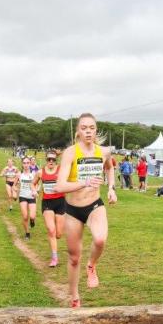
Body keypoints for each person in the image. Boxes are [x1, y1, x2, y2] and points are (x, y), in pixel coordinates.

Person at [55, 113, 117, 308]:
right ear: (78, 131)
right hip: (72, 209)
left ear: (95, 130)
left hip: (94, 205)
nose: (88, 131)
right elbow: (59, 186)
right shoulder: (70, 153)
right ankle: (74, 297)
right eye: (84, 128)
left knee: (100, 239)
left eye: (91, 127)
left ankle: (91, 266)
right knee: (74, 258)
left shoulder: (104, 151)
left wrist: (112, 188)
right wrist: (85, 182)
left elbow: (109, 168)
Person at [40, 150, 66, 267]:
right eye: (49, 159)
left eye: (53, 159)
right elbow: (33, 183)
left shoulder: (61, 170)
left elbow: (70, 155)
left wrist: (60, 153)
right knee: (51, 230)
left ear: (56, 160)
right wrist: (33, 189)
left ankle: (54, 239)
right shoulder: (40, 172)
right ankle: (54, 257)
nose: (51, 161)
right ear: (46, 160)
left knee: (58, 234)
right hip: (47, 203)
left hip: (60, 202)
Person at [17, 157, 39, 240]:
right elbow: (15, 185)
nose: (26, 165)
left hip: (31, 197)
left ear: (30, 164)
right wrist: (15, 190)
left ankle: (32, 221)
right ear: (22, 164)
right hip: (22, 196)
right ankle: (27, 233)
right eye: (24, 163)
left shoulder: (33, 174)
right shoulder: (19, 174)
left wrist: (36, 191)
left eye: (27, 163)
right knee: (25, 216)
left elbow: (37, 184)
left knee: (32, 216)